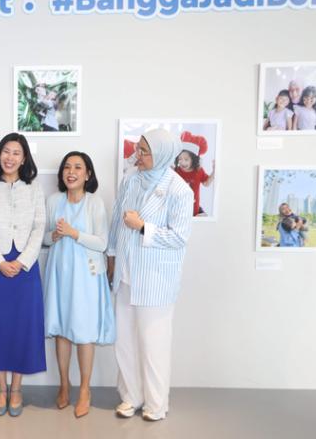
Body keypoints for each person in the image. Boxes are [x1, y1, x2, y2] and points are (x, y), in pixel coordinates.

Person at [106, 128, 194, 422]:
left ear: (163, 154)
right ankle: (131, 397)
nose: (138, 156)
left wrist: (144, 227)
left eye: (145, 151)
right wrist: (111, 257)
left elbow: (179, 237)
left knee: (153, 344)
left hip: (155, 280)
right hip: (126, 276)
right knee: (126, 342)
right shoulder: (130, 180)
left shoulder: (179, 190)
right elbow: (117, 222)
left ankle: (156, 404)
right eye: (138, 149)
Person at [0, 133, 46, 417]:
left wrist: (24, 260)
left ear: (24, 158)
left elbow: (40, 227)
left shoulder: (34, 188)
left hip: (25, 269)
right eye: (6, 151)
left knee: (22, 328)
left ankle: (17, 388)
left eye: (16, 153)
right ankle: (1, 388)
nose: (10, 157)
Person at [43, 151, 115, 419]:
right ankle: (64, 384)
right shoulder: (53, 201)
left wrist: (73, 233)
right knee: (62, 329)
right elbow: (45, 240)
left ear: (88, 174)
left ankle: (85, 389)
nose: (71, 172)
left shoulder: (95, 203)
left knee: (83, 331)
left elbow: (102, 243)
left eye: (78, 167)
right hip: (60, 273)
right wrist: (55, 234)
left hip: (86, 276)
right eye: (67, 167)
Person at [174, 131, 215, 217]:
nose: (182, 162)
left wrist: (214, 171)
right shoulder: (176, 171)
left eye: (186, 159)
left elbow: (206, 183)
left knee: (204, 217)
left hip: (195, 210)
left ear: (193, 159)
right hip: (179, 211)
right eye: (180, 159)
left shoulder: (198, 171)